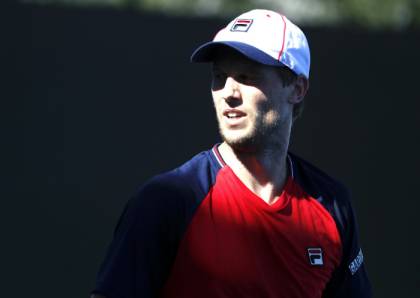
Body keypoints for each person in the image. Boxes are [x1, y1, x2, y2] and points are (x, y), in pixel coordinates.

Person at [91, 9, 371, 298]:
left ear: (297, 88)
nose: (228, 92)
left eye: (246, 76)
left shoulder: (333, 206)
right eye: (220, 76)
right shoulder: (166, 202)